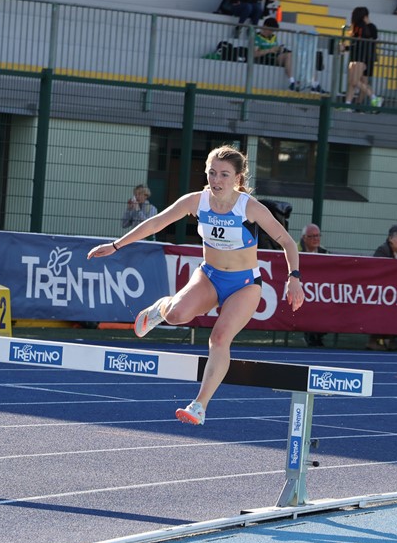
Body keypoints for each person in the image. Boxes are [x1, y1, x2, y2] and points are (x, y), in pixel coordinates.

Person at [87, 145, 303, 426]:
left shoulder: (249, 207)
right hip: (209, 276)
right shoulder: (195, 201)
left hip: (245, 284)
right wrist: (116, 245)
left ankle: (199, 405)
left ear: (237, 178)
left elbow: (287, 242)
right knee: (176, 315)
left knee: (220, 338)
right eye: (212, 173)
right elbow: (155, 223)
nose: (216, 180)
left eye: (224, 175)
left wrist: (294, 277)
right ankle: (160, 309)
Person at [343, 7, 383, 109]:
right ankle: (348, 104)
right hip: (363, 57)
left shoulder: (361, 27)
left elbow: (357, 44)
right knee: (354, 82)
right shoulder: (367, 27)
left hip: (360, 57)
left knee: (354, 81)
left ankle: (373, 97)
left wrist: (346, 47)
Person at [298, 224, 329, 347]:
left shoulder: (324, 252)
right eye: (311, 236)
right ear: (304, 238)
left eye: (317, 236)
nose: (316, 239)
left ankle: (317, 335)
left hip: (318, 291)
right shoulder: (296, 250)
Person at [253, 18, 297, 90]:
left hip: (275, 57)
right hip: (265, 58)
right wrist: (270, 50)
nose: (271, 32)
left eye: (273, 31)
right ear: (265, 27)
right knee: (288, 56)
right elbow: (254, 54)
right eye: (270, 30)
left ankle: (292, 81)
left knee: (289, 54)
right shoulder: (257, 37)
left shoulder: (273, 37)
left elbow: (275, 48)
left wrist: (279, 49)